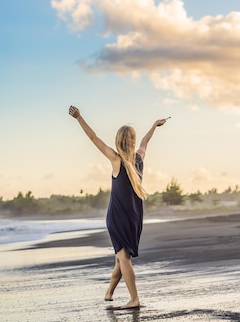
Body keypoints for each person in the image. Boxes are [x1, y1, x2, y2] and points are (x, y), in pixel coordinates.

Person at [68, 105, 168, 309]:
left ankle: (134, 299)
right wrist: (154, 126)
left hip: (117, 216)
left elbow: (93, 138)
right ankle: (109, 292)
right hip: (134, 217)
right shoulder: (139, 158)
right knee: (121, 259)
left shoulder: (116, 160)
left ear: (118, 141)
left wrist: (79, 117)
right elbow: (145, 142)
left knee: (123, 258)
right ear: (131, 141)